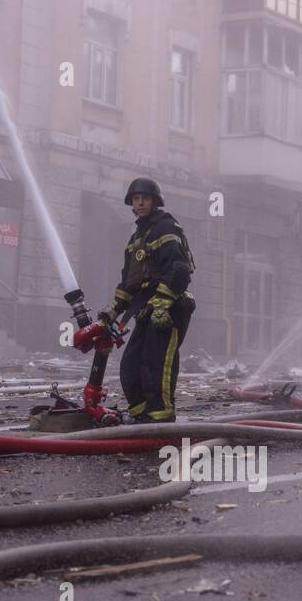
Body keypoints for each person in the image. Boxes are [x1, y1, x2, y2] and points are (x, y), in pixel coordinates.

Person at [99, 177, 195, 424]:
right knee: (131, 365)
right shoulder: (136, 238)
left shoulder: (166, 228)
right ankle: (141, 412)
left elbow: (179, 270)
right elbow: (129, 282)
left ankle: (161, 417)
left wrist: (163, 302)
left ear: (155, 201)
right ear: (131, 203)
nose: (140, 203)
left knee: (157, 363)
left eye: (145, 199)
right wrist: (113, 311)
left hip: (170, 309)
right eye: (136, 199)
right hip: (147, 309)